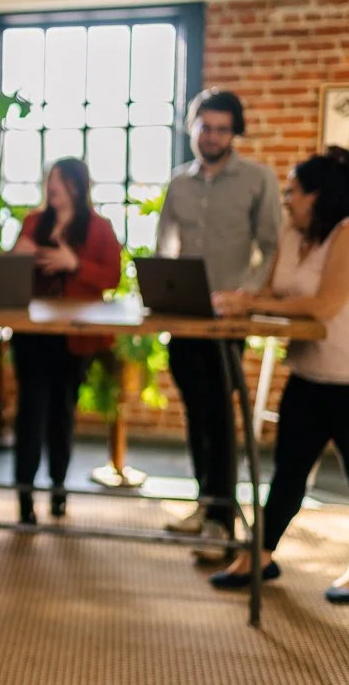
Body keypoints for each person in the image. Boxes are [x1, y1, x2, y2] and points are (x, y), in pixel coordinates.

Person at [208, 147, 349, 602]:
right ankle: (260, 556)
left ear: (319, 195)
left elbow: (325, 305)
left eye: (294, 191)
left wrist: (256, 304)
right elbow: (267, 291)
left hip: (348, 377)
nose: (286, 199)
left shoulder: (346, 234)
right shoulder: (292, 233)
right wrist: (241, 300)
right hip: (308, 371)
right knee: (288, 471)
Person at [155, 89, 282, 561]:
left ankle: (220, 521)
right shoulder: (178, 183)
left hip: (227, 321)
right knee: (195, 412)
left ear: (235, 132)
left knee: (219, 416)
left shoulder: (258, 179)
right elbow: (165, 244)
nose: (212, 136)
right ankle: (205, 503)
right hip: (182, 316)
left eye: (222, 128)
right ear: (192, 128)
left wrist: (245, 295)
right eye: (204, 127)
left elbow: (271, 247)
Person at [10, 158, 121, 524]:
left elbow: (112, 277)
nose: (53, 186)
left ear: (77, 185)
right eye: (50, 179)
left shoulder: (99, 228)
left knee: (62, 412)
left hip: (74, 337)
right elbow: (9, 272)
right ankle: (24, 496)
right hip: (33, 333)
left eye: (60, 180)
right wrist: (18, 257)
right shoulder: (32, 222)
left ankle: (59, 488)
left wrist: (74, 263)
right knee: (30, 413)